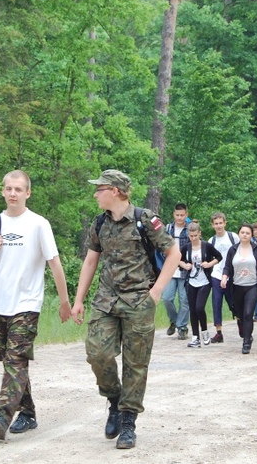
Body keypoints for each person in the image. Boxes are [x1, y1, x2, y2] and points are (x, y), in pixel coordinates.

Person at [71, 170, 181, 450]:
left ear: (116, 191)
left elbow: (174, 254)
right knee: (98, 353)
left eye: (100, 189)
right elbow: (90, 261)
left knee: (136, 363)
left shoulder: (145, 220)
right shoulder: (100, 223)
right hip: (106, 300)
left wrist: (156, 292)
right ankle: (114, 399)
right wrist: (79, 299)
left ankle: (129, 421)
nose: (95, 193)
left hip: (137, 301)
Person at [0, 170, 72, 441]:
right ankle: (28, 412)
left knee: (15, 359)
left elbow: (54, 263)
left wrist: (65, 301)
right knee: (12, 362)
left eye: (18, 189)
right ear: (3, 191)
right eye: (9, 189)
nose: (13, 193)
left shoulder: (38, 224)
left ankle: (2, 414)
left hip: (27, 303)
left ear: (28, 193)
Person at [220, 224, 257, 354]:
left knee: (248, 313)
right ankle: (246, 332)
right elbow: (227, 266)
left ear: (251, 235)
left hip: (253, 286)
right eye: (242, 232)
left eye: (247, 233)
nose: (245, 235)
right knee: (240, 314)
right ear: (239, 234)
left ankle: (246, 342)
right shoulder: (233, 250)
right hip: (237, 286)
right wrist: (224, 278)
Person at [181, 222, 223, 347]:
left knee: (199, 307)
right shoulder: (186, 247)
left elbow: (219, 257)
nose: (193, 238)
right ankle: (195, 337)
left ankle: (204, 332)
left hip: (204, 281)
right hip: (191, 282)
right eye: (191, 236)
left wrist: (209, 264)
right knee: (192, 310)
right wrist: (185, 265)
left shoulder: (206, 246)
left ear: (200, 234)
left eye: (195, 235)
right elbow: (178, 259)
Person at [207, 212, 238, 343]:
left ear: (225, 223)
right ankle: (218, 332)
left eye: (221, 223)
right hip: (216, 275)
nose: (219, 226)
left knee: (234, 303)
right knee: (216, 302)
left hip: (233, 276)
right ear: (212, 225)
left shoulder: (233, 237)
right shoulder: (211, 241)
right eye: (216, 224)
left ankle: (240, 322)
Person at [162, 203, 191, 340]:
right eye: (177, 215)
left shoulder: (190, 229)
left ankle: (182, 326)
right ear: (173, 215)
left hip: (186, 270)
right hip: (170, 268)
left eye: (182, 215)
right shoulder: (168, 228)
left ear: (186, 215)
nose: (179, 218)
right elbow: (162, 248)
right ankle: (174, 320)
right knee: (167, 298)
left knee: (184, 300)